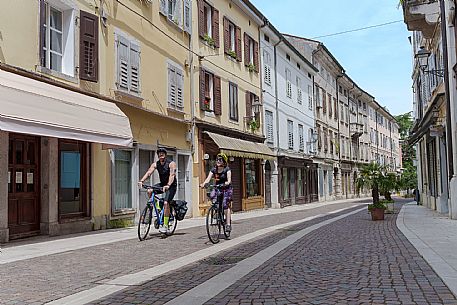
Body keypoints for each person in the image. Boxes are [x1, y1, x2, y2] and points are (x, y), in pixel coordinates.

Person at [138, 148, 177, 234]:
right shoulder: (156, 164)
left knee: (166, 203)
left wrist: (168, 185)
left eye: (162, 153)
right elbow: (149, 172)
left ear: (165, 155)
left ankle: (166, 225)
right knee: (149, 191)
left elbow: (172, 175)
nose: (161, 155)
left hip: (171, 186)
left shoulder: (171, 163)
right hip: (162, 184)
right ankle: (158, 208)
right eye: (159, 154)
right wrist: (141, 181)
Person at [200, 153, 233, 233]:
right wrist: (204, 184)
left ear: (224, 162)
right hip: (218, 187)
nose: (218, 161)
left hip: (226, 188)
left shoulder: (227, 169)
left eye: (220, 160)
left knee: (225, 204)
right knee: (212, 195)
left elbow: (229, 179)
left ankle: (228, 224)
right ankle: (216, 209)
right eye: (217, 159)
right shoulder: (214, 169)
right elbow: (208, 178)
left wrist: (227, 182)